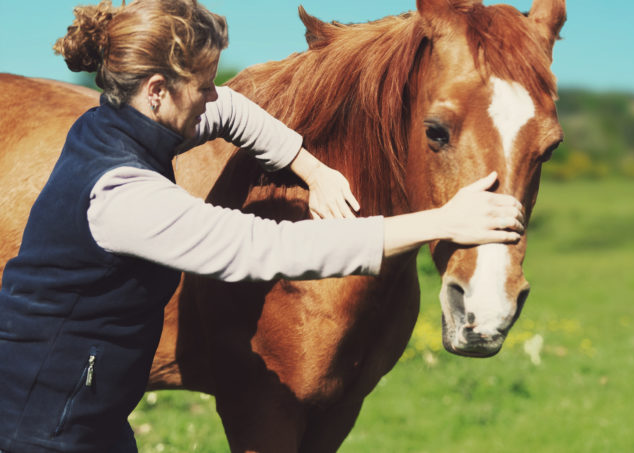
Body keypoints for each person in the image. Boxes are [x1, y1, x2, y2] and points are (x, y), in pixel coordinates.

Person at [0, 0, 525, 452]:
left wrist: (312, 169)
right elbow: (262, 247)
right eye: (204, 84)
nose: (215, 93)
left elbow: (230, 111)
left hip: (93, 399)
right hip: (46, 417)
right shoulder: (123, 196)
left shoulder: (119, 121)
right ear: (157, 91)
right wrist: (438, 221)